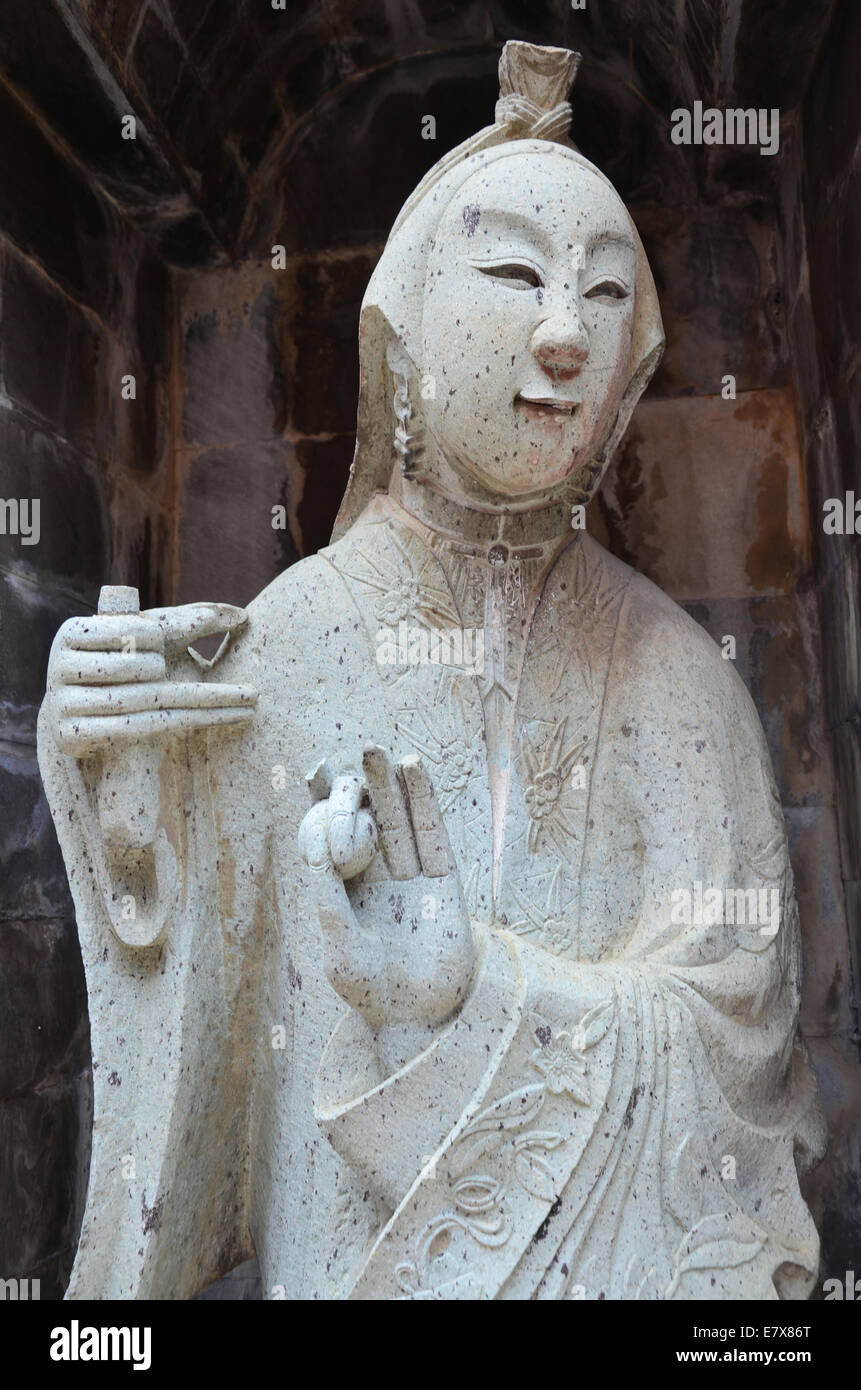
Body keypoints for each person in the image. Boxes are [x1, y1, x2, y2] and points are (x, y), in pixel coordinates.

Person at [39, 42, 822, 1301]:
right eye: (514, 273)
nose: (564, 334)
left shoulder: (685, 682)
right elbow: (198, 1031)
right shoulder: (291, 640)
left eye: (609, 295)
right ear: (401, 343)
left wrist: (482, 991)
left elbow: (745, 1069)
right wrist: (125, 806)